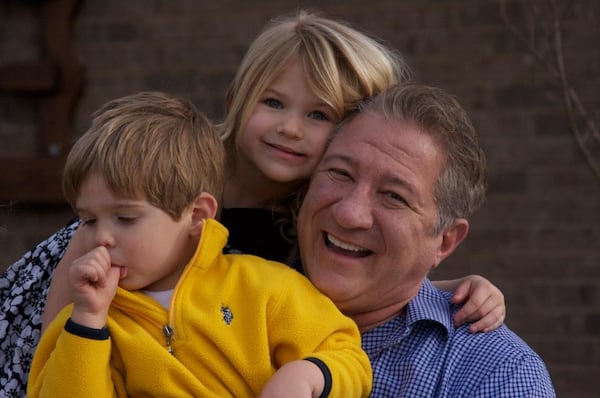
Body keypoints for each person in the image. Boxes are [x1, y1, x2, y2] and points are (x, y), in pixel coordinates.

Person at [1, 10, 504, 396]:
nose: (290, 127)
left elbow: (345, 292)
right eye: (273, 103)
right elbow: (68, 304)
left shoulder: (305, 228)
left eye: (319, 115)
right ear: (237, 100)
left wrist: (439, 288)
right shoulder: (170, 177)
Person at [27, 91, 372, 397]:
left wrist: (306, 375)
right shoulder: (90, 319)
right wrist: (87, 324)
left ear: (196, 215)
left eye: (126, 219)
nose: (100, 237)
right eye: (88, 220)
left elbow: (347, 355)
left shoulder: (263, 287)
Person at [297, 82, 556, 397]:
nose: (349, 213)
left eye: (394, 196)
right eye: (340, 173)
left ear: (445, 241)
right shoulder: (232, 296)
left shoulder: (496, 373)